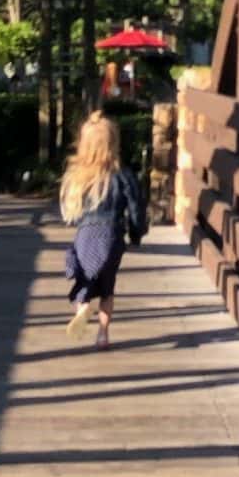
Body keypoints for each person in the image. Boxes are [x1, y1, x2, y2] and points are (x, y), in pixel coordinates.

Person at [59, 112, 147, 350]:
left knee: (84, 280)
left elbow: (70, 212)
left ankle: (83, 305)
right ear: (114, 143)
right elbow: (136, 208)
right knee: (107, 288)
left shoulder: (78, 177)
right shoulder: (124, 177)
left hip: (85, 235)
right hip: (112, 236)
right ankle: (103, 334)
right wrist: (137, 233)